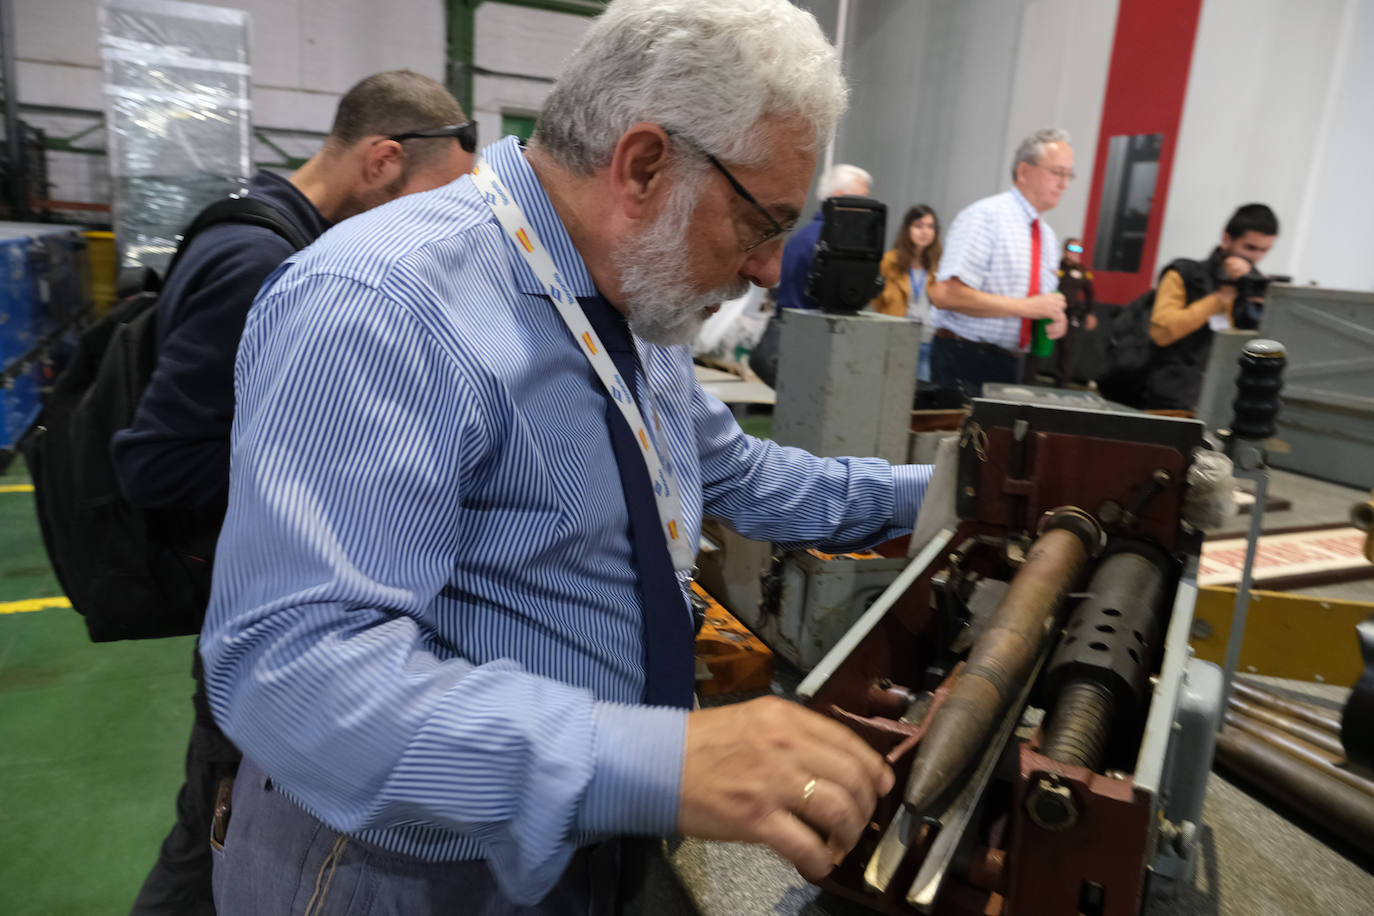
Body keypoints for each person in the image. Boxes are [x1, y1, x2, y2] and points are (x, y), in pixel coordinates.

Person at [200, 1, 934, 912]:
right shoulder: (381, 302)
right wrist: (650, 763)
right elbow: (297, 676)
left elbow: (735, 473)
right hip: (400, 872)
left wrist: (939, 494)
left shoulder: (635, 292)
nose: (767, 269)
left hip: (584, 842)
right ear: (645, 164)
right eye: (760, 224)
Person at [110, 70, 476, 916]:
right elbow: (156, 462)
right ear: (383, 160)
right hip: (248, 607)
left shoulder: (263, 223)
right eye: (439, 200)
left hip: (250, 591)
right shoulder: (264, 261)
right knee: (213, 840)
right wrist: (346, 461)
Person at [927, 128, 1072, 395]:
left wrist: (1055, 317)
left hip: (1013, 362)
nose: (1064, 184)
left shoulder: (1047, 238)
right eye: (1057, 173)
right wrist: (1026, 307)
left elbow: (1036, 304)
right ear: (1025, 172)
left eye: (1068, 175)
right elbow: (946, 294)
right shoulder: (986, 217)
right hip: (965, 358)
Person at [1125, 203, 1278, 410]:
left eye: (1264, 250)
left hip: (1223, 399)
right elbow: (1162, 332)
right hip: (1168, 397)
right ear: (1226, 239)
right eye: (1249, 247)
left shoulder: (1255, 287)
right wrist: (1218, 300)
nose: (1255, 257)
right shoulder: (1183, 273)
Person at [775, 161, 873, 310]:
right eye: (860, 199)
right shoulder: (829, 242)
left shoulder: (802, 238)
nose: (866, 209)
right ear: (837, 197)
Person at [871, 204, 941, 382]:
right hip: (897, 338)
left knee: (922, 396)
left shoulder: (938, 264)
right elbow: (877, 300)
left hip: (928, 339)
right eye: (919, 225)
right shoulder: (890, 261)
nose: (924, 231)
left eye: (930, 226)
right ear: (907, 229)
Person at [1053, 237, 1097, 386]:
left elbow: (1090, 293)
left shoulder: (1083, 271)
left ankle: (1062, 382)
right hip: (1052, 310)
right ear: (1065, 250)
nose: (1075, 253)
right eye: (1072, 249)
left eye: (1079, 250)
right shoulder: (1056, 266)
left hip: (1071, 313)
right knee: (1043, 345)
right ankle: (1028, 378)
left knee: (1068, 349)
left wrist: (1090, 313)